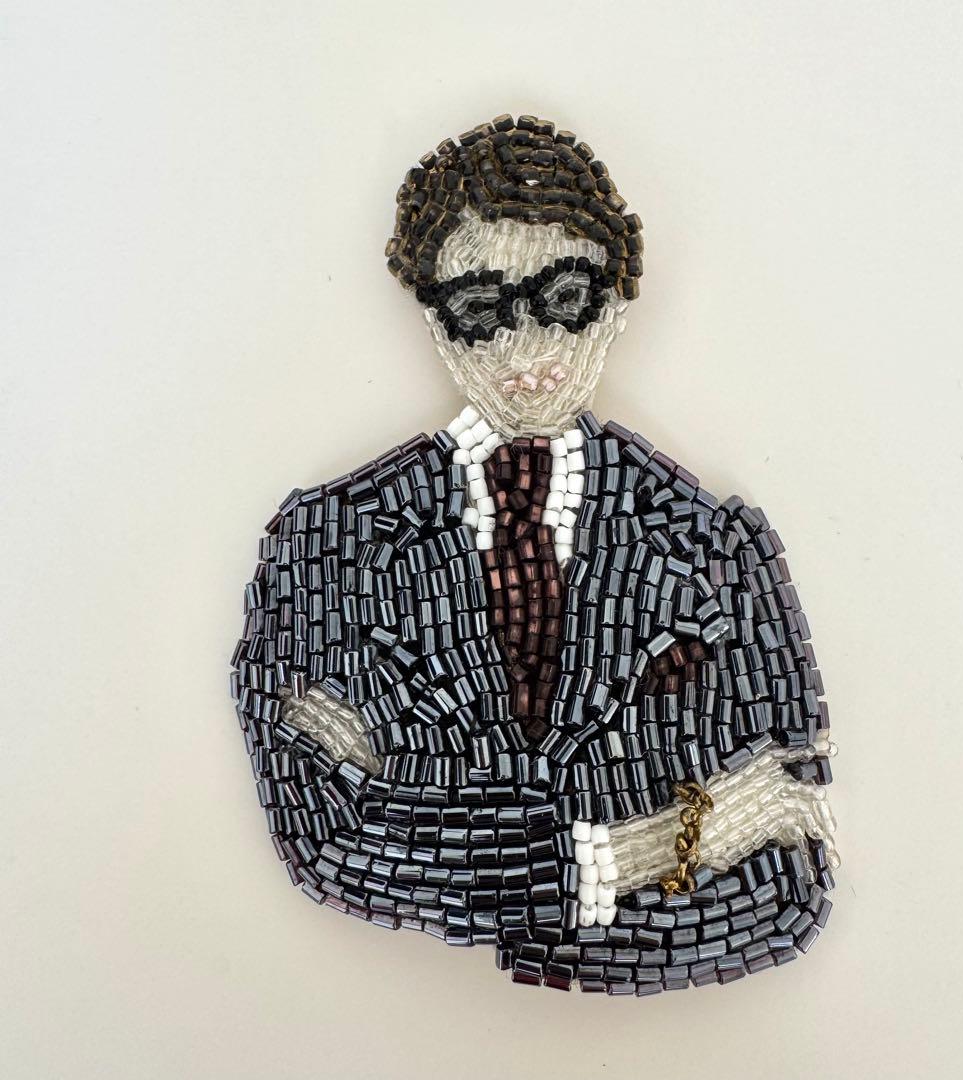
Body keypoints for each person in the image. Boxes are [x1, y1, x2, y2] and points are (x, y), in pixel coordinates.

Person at [232, 113, 838, 993]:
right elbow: (327, 839)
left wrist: (425, 836)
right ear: (439, 326)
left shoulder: (717, 549)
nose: (528, 351)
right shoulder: (328, 542)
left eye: (564, 298)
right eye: (484, 312)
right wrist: (651, 846)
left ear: (617, 300)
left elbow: (781, 889)